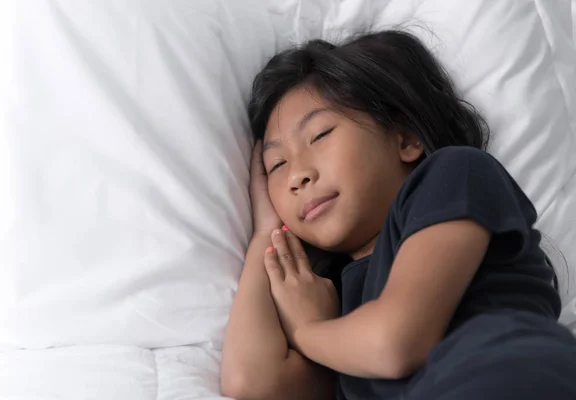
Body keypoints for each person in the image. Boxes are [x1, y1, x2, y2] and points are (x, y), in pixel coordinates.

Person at [220, 30, 576, 400]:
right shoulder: (336, 311)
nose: (297, 175)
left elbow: (395, 345)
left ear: (405, 137)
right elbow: (252, 382)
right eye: (276, 165)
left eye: (320, 134)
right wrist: (264, 234)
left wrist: (307, 329)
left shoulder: (455, 175)